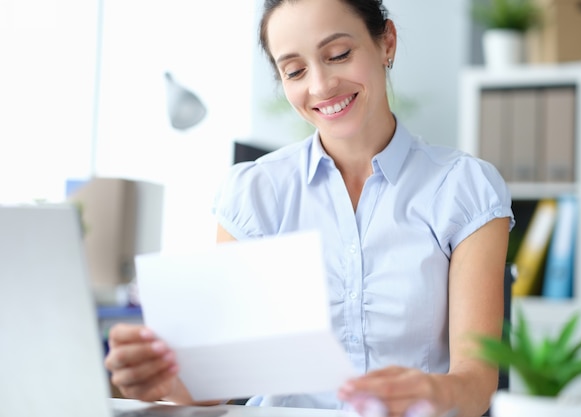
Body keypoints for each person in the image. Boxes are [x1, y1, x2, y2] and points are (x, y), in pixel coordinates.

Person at [104, 0, 515, 416]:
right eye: (295, 71)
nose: (320, 86)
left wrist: (431, 393)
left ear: (386, 42)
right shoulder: (255, 193)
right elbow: (216, 386)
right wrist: (168, 382)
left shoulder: (464, 188)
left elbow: (477, 382)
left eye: (338, 55)